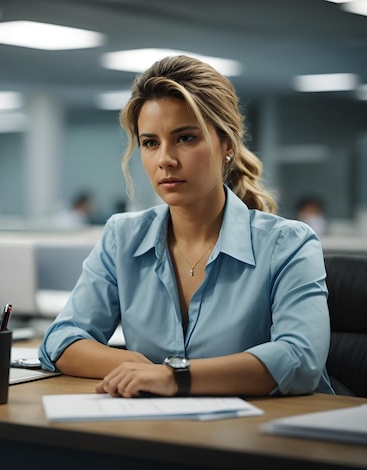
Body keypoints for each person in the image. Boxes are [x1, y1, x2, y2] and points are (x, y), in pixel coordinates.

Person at [38, 55, 333, 398]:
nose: (165, 158)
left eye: (185, 138)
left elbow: (300, 359)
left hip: (267, 435)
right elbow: (61, 339)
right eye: (150, 142)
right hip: (161, 430)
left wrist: (175, 377)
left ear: (227, 145)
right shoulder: (123, 237)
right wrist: (143, 369)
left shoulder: (288, 245)